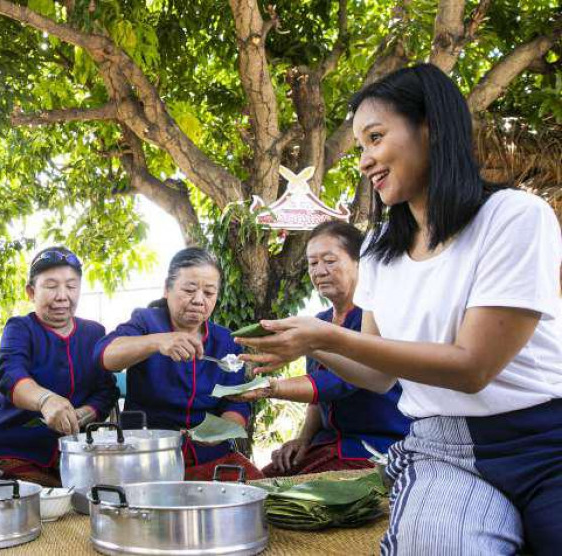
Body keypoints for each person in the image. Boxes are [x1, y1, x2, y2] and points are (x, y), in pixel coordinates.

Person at [237, 64, 562, 555]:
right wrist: (299, 345)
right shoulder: (382, 246)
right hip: (442, 451)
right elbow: (376, 371)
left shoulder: (513, 217)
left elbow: (473, 367)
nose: (365, 160)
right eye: (361, 148)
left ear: (430, 126)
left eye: (375, 137)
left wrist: (323, 338)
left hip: (545, 443)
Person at [230, 221, 409, 477]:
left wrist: (271, 388)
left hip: (372, 448)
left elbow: (340, 382)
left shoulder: (374, 318)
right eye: (313, 263)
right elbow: (318, 400)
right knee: (260, 480)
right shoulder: (320, 320)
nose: (320, 271)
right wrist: (303, 439)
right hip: (327, 443)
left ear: (359, 264)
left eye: (330, 260)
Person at [94, 247, 264, 481]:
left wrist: (221, 432)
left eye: (209, 292)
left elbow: (236, 402)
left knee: (260, 495)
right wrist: (157, 342)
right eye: (189, 290)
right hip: (148, 456)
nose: (198, 300)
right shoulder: (146, 321)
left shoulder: (225, 341)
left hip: (210, 455)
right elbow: (105, 355)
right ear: (167, 288)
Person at [0, 247, 119, 486]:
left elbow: (106, 391)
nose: (62, 296)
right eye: (51, 286)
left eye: (71, 286)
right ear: (31, 292)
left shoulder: (94, 333)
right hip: (13, 450)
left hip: (73, 455)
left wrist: (86, 413)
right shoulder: (20, 328)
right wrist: (45, 400)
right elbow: (9, 375)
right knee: (41, 503)